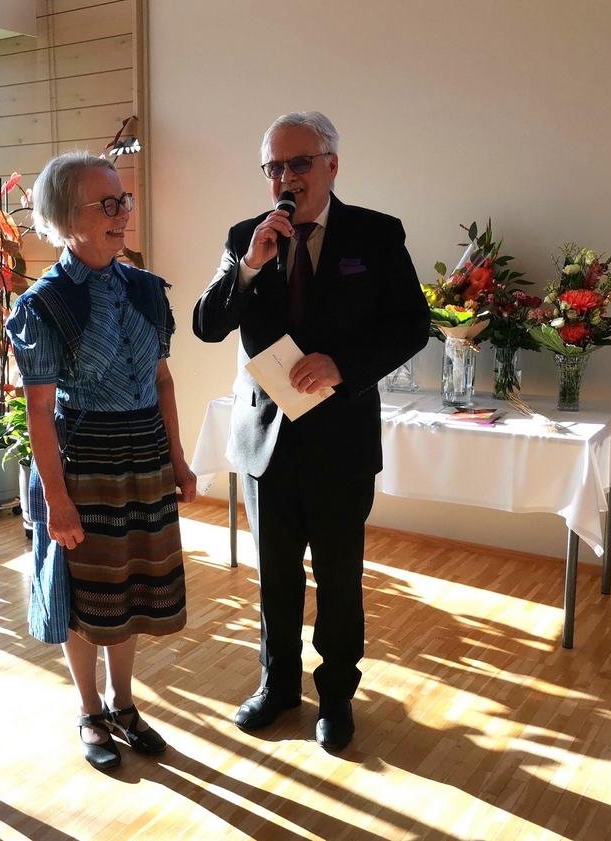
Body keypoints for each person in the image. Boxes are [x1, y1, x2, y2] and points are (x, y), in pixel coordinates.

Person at [193, 113, 429, 752]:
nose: (285, 178)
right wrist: (248, 267)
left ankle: (336, 696)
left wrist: (343, 365)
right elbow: (207, 325)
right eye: (273, 167)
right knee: (275, 577)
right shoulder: (247, 237)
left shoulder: (375, 235)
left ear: (331, 165)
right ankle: (276, 687)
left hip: (339, 440)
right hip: (266, 441)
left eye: (298, 163)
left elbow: (412, 325)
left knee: (338, 578)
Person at [6, 152, 196, 771]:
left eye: (123, 201)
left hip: (144, 458)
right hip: (83, 464)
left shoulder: (145, 289)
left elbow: (162, 382)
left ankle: (123, 702)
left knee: (132, 589)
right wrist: (56, 499)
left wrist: (178, 460)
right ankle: (89, 710)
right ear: (67, 218)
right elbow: (39, 413)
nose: (121, 213)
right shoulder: (44, 305)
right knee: (86, 596)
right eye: (107, 203)